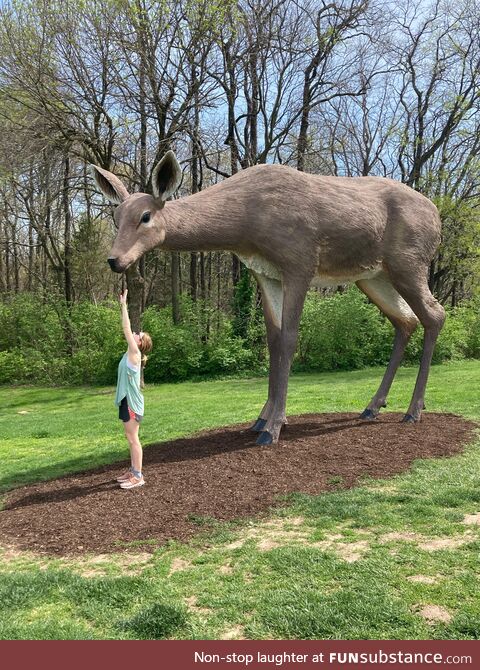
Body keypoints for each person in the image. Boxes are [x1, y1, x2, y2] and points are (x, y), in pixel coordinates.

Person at [115, 289, 153, 489]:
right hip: (126, 400)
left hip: (132, 403)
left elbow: (126, 327)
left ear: (140, 343)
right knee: (129, 438)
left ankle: (138, 476)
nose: (136, 334)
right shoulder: (131, 353)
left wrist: (123, 305)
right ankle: (132, 470)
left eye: (139, 335)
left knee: (133, 438)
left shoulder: (135, 352)